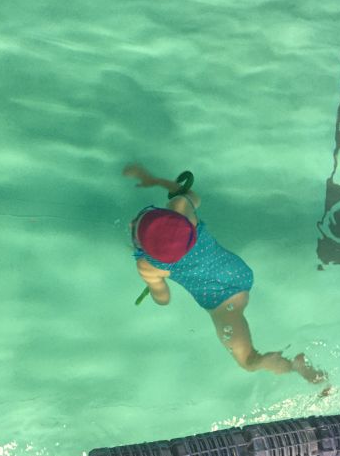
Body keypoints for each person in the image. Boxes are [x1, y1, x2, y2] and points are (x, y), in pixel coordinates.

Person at [123, 163, 329, 388]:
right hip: (238, 271)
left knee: (249, 361)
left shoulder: (147, 265)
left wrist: (155, 281)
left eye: (136, 228)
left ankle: (296, 367)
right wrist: (155, 180)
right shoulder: (181, 208)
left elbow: (163, 299)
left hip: (223, 303)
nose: (133, 222)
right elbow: (192, 196)